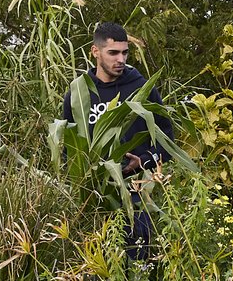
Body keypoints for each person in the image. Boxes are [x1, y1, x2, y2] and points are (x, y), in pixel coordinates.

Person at [59, 22, 174, 265]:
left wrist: (143, 161)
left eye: (124, 52)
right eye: (113, 53)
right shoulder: (79, 94)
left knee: (140, 269)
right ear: (95, 51)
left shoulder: (141, 88)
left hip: (137, 192)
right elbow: (67, 145)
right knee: (96, 271)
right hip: (93, 198)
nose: (120, 59)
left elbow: (168, 139)